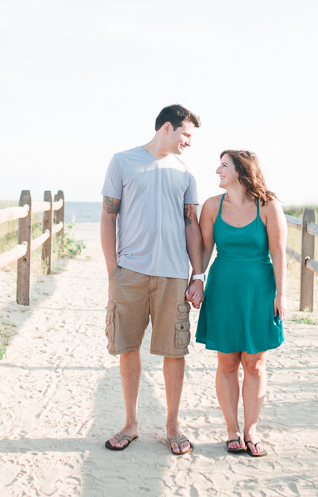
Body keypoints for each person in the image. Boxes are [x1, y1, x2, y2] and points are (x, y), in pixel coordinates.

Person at [100, 104, 206, 456]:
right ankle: (130, 423)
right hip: (129, 273)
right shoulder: (123, 161)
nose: (189, 142)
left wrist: (198, 273)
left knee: (174, 352)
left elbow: (191, 225)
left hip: (174, 275)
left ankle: (172, 426)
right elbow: (107, 217)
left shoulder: (186, 173)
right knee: (127, 347)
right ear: (166, 128)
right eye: (186, 134)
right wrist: (112, 268)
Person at [194, 150, 286, 458]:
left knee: (255, 364)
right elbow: (205, 251)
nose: (217, 170)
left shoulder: (268, 205)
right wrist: (197, 278)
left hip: (259, 290)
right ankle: (232, 430)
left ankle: (251, 430)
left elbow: (279, 253)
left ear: (241, 171)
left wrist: (281, 295)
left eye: (223, 165)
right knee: (228, 362)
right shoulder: (211, 206)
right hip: (223, 290)